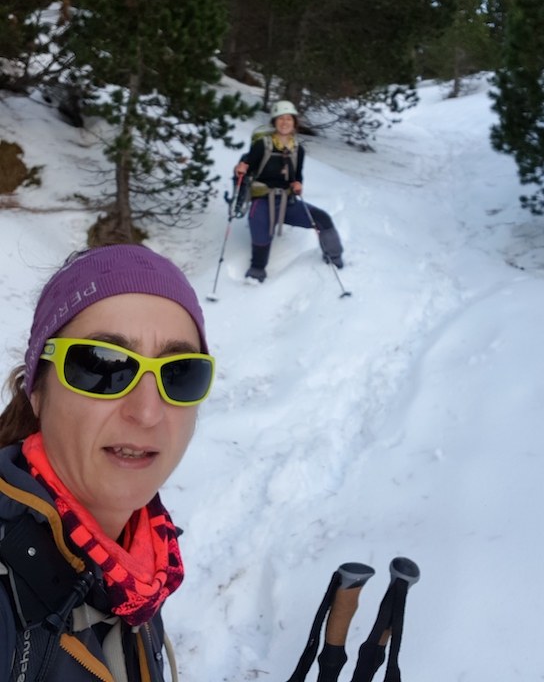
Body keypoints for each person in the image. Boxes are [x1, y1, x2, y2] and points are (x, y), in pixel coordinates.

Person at [0, 243, 215, 681]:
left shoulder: (137, 570)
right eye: (103, 366)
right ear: (37, 391)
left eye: (179, 373)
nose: (147, 412)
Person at [235, 100, 344, 282]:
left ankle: (334, 258)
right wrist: (240, 168)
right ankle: (257, 271)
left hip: (287, 201)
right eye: (281, 119)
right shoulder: (262, 145)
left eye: (289, 119)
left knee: (323, 219)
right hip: (262, 200)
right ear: (274, 122)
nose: (285, 122)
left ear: (294, 123)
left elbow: (297, 175)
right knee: (262, 234)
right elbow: (246, 167)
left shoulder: (298, 150)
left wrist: (298, 184)